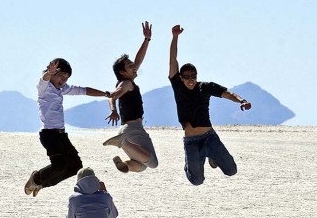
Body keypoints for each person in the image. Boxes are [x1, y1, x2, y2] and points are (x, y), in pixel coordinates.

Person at [169, 25, 252, 185]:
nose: (191, 79)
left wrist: (241, 100)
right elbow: (173, 60)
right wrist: (175, 37)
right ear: (180, 77)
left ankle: (212, 156)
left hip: (209, 137)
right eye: (186, 77)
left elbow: (227, 93)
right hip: (191, 141)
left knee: (231, 170)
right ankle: (190, 165)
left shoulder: (205, 87)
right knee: (197, 181)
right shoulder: (177, 87)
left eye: (193, 76)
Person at [24, 58, 112, 197]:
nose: (63, 80)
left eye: (66, 78)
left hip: (61, 135)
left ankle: (42, 183)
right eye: (61, 76)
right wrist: (48, 73)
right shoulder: (44, 87)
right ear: (52, 72)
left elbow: (83, 90)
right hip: (49, 135)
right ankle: (36, 178)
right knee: (59, 165)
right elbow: (44, 79)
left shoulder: (62, 89)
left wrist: (105, 93)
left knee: (75, 167)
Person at [102, 21, 158, 173]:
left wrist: (147, 40)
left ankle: (125, 165)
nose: (134, 66)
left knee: (142, 165)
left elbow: (139, 59)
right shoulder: (126, 83)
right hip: (133, 129)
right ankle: (123, 143)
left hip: (126, 129)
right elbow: (113, 95)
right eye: (129, 66)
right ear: (122, 72)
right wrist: (112, 100)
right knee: (153, 162)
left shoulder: (127, 80)